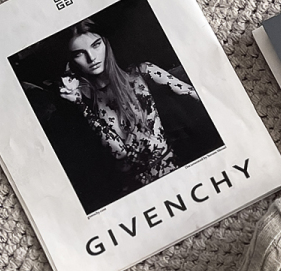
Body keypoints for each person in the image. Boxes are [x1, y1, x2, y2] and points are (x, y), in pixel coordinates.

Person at [57, 19, 206, 190]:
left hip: (174, 169)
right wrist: (80, 104)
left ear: (106, 43)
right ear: (72, 61)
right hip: (135, 188)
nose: (91, 58)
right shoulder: (85, 99)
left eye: (96, 45)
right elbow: (119, 152)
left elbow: (193, 92)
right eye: (79, 54)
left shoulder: (142, 73)